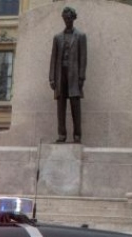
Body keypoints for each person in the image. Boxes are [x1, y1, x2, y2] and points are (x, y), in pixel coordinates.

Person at [49, 6, 87, 144]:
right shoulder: (57, 37)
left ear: (73, 18)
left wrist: (82, 77)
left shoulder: (81, 36)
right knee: (61, 107)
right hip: (60, 76)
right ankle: (61, 135)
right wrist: (52, 78)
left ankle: (77, 136)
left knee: (75, 107)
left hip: (74, 76)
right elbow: (53, 58)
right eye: (65, 18)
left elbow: (83, 58)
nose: (67, 20)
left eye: (69, 18)